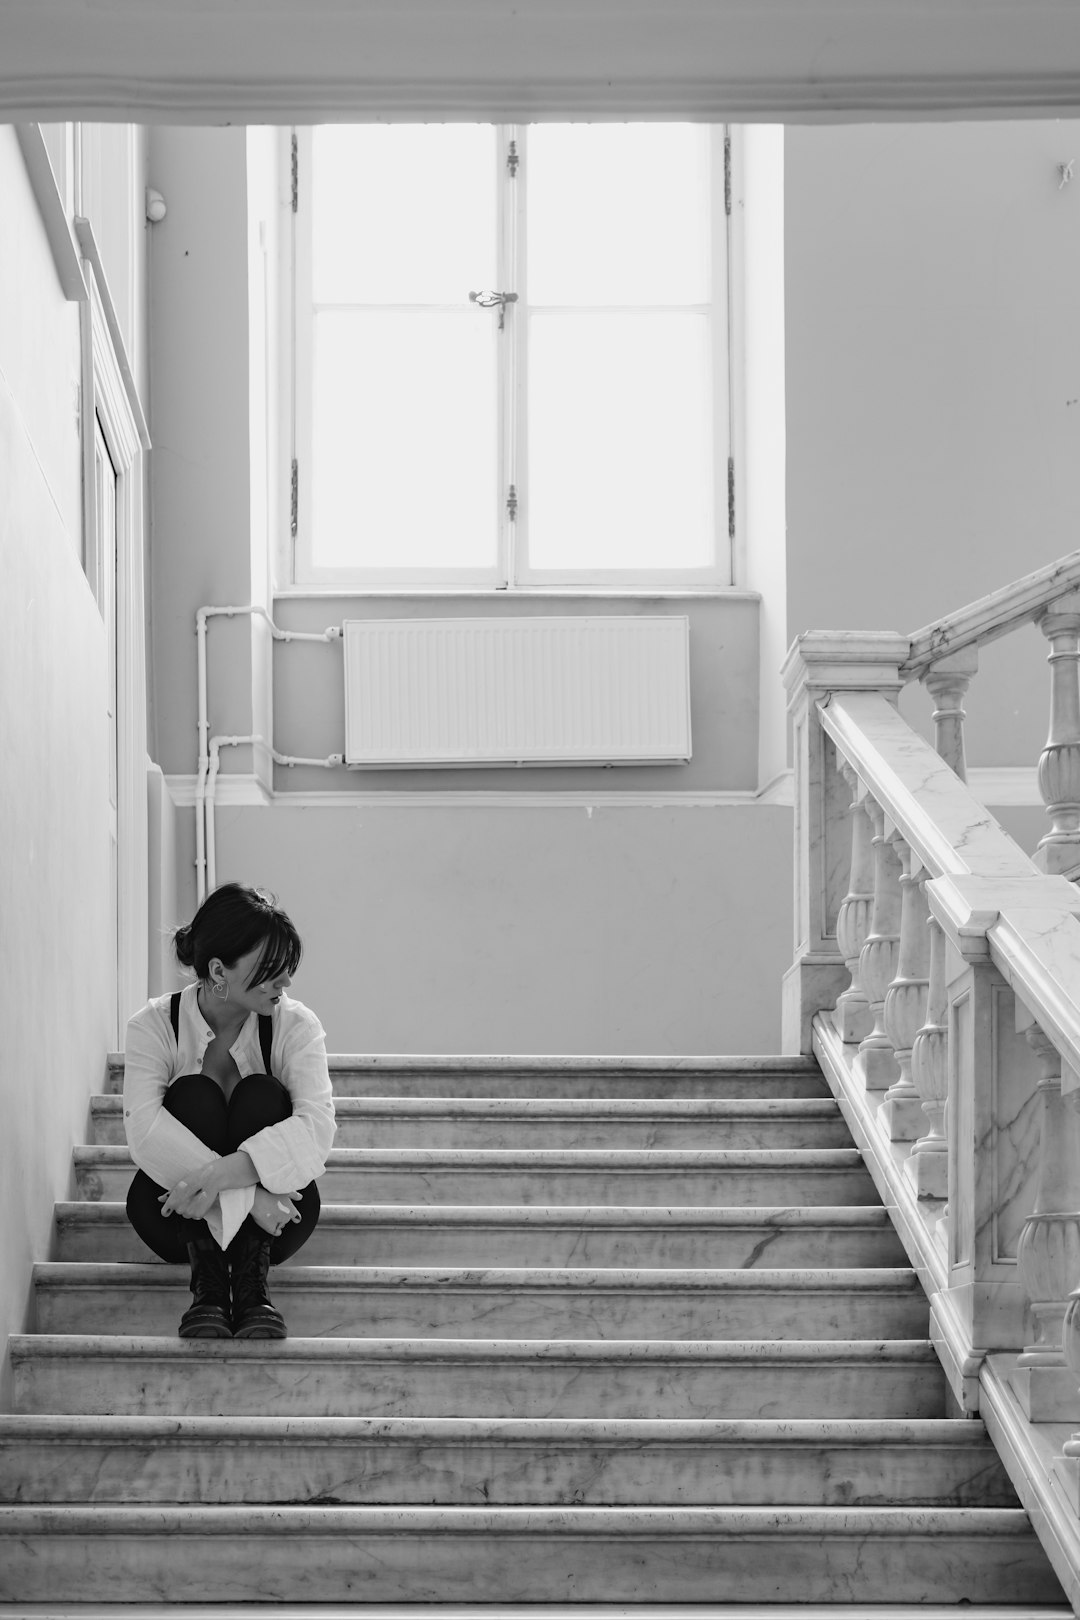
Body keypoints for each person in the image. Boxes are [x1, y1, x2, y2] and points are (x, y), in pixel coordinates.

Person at [123, 883, 336, 1339]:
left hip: (279, 1221)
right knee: (193, 1096)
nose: (286, 983)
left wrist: (222, 1178)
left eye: (288, 969)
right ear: (218, 970)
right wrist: (251, 1199)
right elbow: (144, 1132)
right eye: (271, 970)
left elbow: (316, 1129)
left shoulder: (295, 1024)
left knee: (261, 1094)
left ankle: (253, 1288)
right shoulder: (153, 1026)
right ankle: (209, 1292)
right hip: (176, 1215)